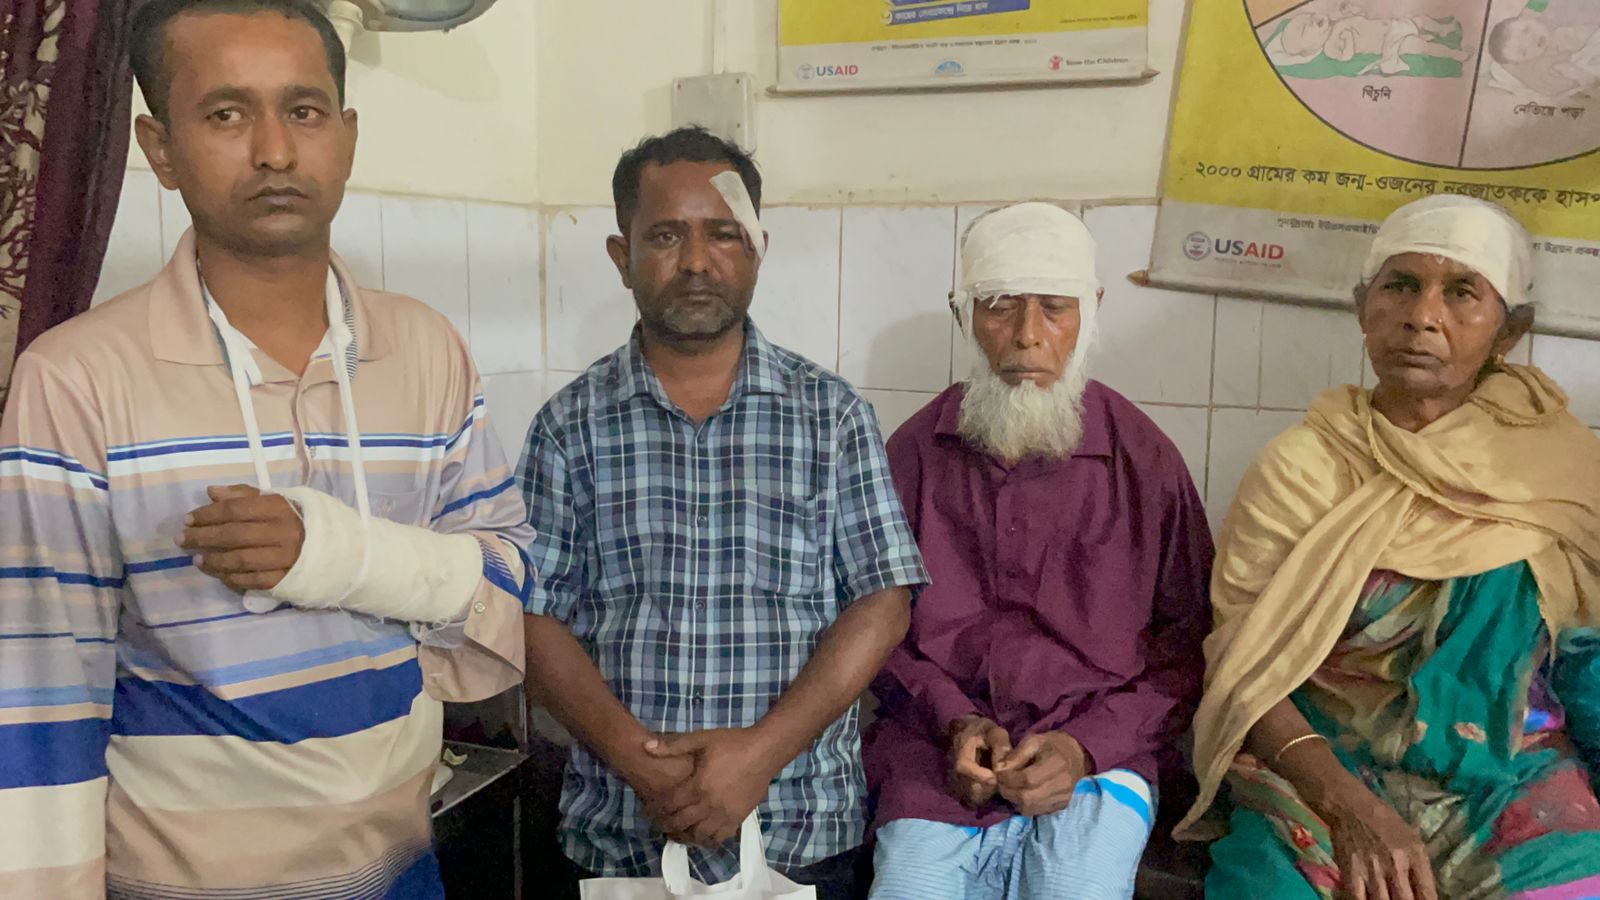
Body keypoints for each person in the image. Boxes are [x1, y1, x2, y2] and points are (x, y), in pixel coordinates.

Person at [0, 2, 533, 896]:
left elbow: (508, 584)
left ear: (347, 137)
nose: (275, 151)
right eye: (225, 113)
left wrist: (337, 555)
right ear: (160, 149)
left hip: (399, 871)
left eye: (304, 110)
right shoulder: (75, 379)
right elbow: (40, 697)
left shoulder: (427, 349)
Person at [517, 126, 929, 900]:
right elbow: (530, 617)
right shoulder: (570, 426)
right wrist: (641, 765)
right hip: (619, 837)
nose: (697, 261)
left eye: (724, 233)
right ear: (621, 255)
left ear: (758, 248)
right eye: (666, 236)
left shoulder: (830, 417)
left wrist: (759, 755)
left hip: (798, 832)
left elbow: (883, 602)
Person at [1186, 195, 1600, 899]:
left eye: (1462, 292)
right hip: (1324, 769)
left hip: (1512, 775)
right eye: (1401, 286)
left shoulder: (1555, 468)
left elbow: (1585, 649)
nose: (1422, 315)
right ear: (1363, 308)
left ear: (1511, 329)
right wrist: (1348, 807)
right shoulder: (1302, 469)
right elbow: (1244, 669)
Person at [863, 202, 1214, 900]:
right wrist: (953, 720)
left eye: (1055, 309)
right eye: (999, 306)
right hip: (935, 750)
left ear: (1092, 310)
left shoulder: (1143, 460)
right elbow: (873, 627)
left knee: (1073, 887)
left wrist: (1085, 747)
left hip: (1101, 753)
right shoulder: (913, 454)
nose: (1028, 336)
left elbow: (1190, 644)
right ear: (963, 313)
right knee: (908, 887)